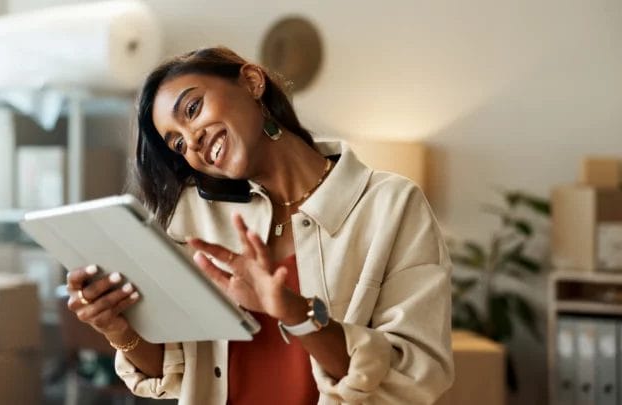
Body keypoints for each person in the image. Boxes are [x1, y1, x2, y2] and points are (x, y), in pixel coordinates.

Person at [65, 46, 454, 404]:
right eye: (178, 145)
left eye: (193, 108)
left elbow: (416, 376)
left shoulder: (390, 205)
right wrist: (116, 327)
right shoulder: (193, 215)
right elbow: (176, 370)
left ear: (252, 82)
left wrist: (295, 312)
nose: (193, 141)